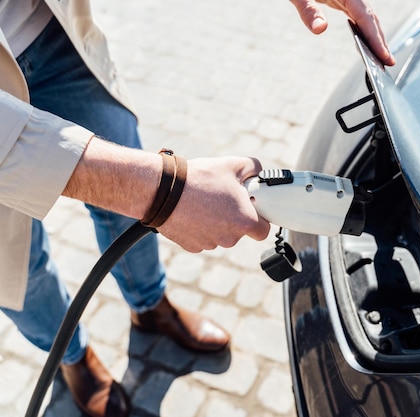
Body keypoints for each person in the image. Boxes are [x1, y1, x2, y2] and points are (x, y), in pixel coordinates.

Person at [0, 1, 394, 417]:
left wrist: (149, 192)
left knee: (126, 202)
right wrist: (161, 190)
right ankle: (71, 358)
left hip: (49, 33)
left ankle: (150, 309)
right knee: (15, 264)